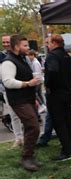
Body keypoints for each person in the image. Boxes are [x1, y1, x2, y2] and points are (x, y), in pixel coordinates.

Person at [1, 34, 42, 171]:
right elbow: (8, 82)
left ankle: (29, 155)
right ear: (16, 46)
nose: (28, 47)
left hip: (28, 99)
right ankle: (26, 157)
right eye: (24, 45)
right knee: (33, 126)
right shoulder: (8, 62)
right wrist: (28, 83)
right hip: (18, 100)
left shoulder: (22, 59)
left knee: (31, 127)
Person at [44, 34, 71, 161]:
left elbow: (52, 71)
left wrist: (47, 84)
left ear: (54, 43)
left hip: (56, 93)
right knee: (68, 120)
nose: (47, 45)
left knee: (59, 122)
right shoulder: (67, 56)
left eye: (48, 43)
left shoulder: (52, 56)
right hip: (67, 91)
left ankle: (66, 151)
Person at [1, 34, 24, 149]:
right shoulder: (1, 56)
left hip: (23, 89)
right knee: (14, 115)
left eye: (7, 42)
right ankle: (18, 138)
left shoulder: (20, 54)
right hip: (7, 90)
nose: (5, 44)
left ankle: (29, 138)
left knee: (27, 114)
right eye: (3, 42)